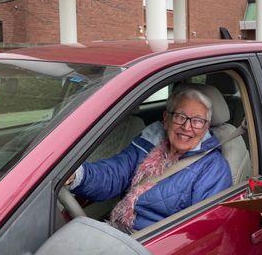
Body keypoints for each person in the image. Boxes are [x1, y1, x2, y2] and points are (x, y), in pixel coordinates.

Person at [67, 87, 233, 231]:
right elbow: (114, 173)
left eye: (197, 121)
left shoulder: (213, 168)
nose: (187, 127)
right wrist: (77, 175)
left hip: (156, 248)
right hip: (120, 231)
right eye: (180, 117)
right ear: (166, 119)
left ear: (205, 128)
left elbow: (204, 229)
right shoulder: (148, 142)